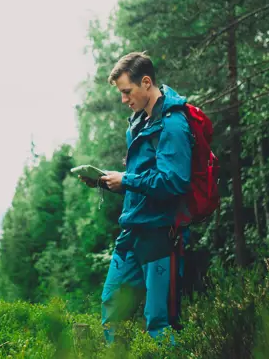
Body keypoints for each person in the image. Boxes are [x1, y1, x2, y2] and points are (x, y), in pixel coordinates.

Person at [80, 51, 192, 345]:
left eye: (126, 91)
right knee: (112, 308)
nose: (123, 99)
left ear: (146, 83)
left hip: (160, 233)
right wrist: (110, 182)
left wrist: (127, 180)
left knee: (159, 322)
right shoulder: (140, 122)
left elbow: (174, 181)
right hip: (132, 231)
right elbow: (143, 178)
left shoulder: (173, 125)